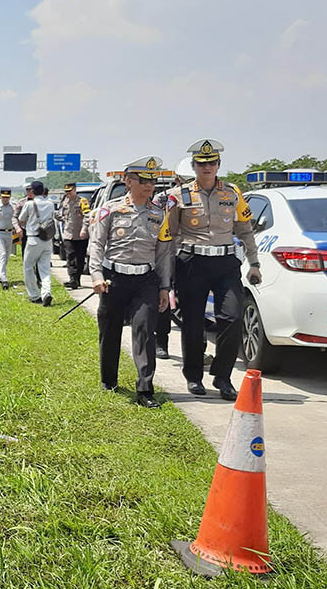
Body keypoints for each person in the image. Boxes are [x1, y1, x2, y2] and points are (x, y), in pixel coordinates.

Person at [158, 139, 261, 400]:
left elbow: (245, 230)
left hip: (225, 263)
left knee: (232, 318)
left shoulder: (232, 193)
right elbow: (169, 235)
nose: (207, 167)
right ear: (193, 166)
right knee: (193, 322)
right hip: (192, 263)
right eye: (202, 163)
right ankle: (193, 376)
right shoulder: (178, 195)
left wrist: (254, 263)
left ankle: (222, 376)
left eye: (212, 163)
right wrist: (167, 273)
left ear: (218, 165)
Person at [88, 156, 171, 409]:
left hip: (145, 280)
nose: (149, 186)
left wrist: (165, 287)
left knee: (144, 330)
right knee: (110, 330)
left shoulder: (159, 214)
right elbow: (97, 244)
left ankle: (145, 389)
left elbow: (163, 253)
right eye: (143, 180)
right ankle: (108, 380)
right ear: (128, 181)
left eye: (152, 181)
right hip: (114, 279)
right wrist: (96, 276)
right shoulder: (110, 209)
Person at [17, 180, 54, 306]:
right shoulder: (50, 204)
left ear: (32, 191)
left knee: (28, 267)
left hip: (33, 239)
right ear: (43, 191)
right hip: (47, 239)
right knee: (45, 268)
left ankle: (34, 295)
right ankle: (46, 292)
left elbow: (21, 220)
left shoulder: (29, 204)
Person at [60, 182, 91, 289]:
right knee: (70, 256)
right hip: (68, 234)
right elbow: (62, 214)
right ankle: (72, 279)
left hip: (80, 235)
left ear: (74, 190)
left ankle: (77, 279)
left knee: (80, 258)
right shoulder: (65, 201)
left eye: (69, 191)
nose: (67, 194)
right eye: (66, 192)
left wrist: (84, 229)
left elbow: (87, 216)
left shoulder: (82, 201)